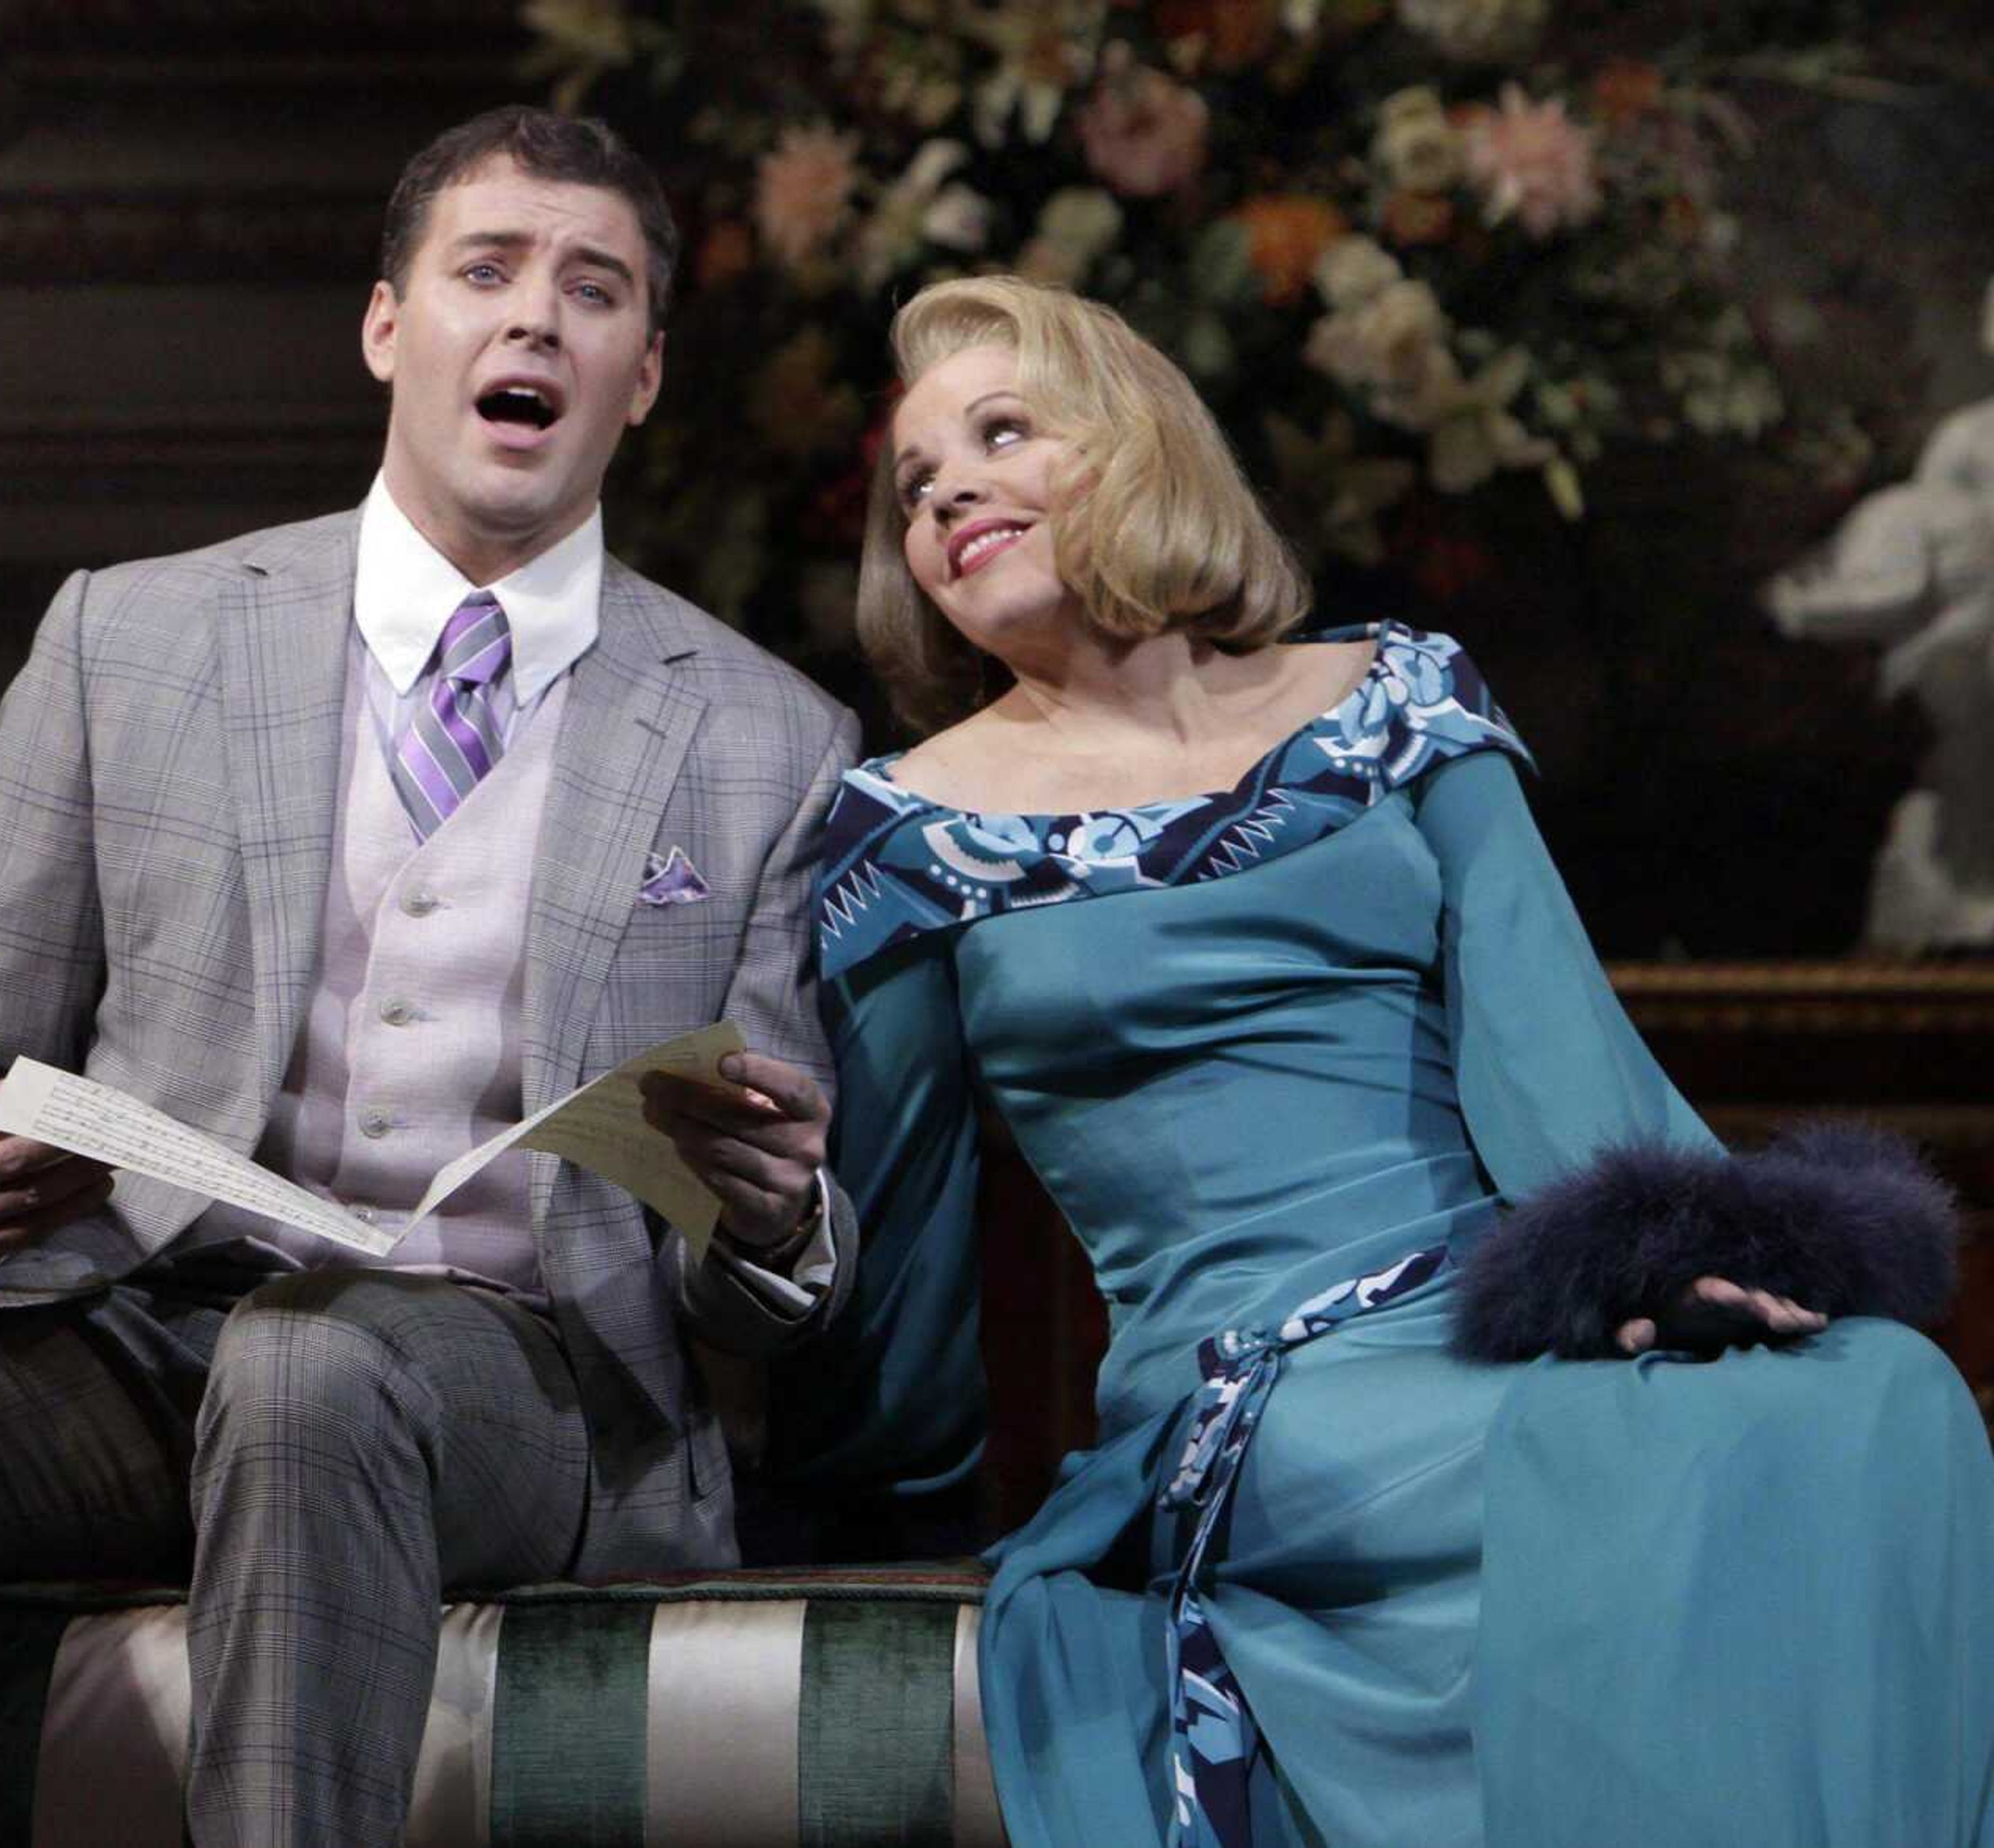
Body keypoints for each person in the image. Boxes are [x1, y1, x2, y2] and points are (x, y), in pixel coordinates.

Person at [0, 106, 860, 1848]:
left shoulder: (762, 737)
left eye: (593, 294)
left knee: (312, 1373)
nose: (536, 322)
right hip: (123, 1335)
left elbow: (770, 1243)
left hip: (513, 1384)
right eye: (488, 272)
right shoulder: (127, 636)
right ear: (389, 326)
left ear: (643, 375)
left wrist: (776, 1219)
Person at [776, 273, 1994, 1848]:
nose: (949, 495)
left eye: (1002, 433)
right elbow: (904, 1250)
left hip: (1495, 1311)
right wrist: (855, 1475)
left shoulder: (1397, 702)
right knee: (1585, 1472)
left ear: (1138, 444)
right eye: (918, 486)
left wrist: (1684, 1271)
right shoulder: (910, 833)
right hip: (1259, 1386)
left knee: (1880, 1397)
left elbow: (1570, 1064)